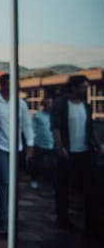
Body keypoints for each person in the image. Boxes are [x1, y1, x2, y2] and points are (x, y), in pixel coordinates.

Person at [0, 73, 34, 234]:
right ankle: (4, 222)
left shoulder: (21, 104)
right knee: (5, 182)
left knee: (12, 184)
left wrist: (30, 146)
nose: (9, 86)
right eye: (6, 83)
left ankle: (8, 218)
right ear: (1, 85)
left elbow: (27, 125)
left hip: (16, 148)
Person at [51, 75, 102, 235]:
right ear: (73, 88)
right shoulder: (61, 104)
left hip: (85, 151)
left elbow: (89, 128)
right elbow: (56, 127)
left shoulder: (86, 106)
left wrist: (96, 145)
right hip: (67, 151)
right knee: (63, 186)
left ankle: (92, 224)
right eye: (82, 87)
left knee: (91, 187)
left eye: (86, 87)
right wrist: (60, 147)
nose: (85, 89)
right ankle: (62, 219)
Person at [29, 97, 55, 190]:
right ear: (44, 105)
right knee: (38, 163)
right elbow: (32, 128)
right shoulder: (38, 115)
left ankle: (53, 183)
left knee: (54, 164)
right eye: (48, 104)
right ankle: (34, 180)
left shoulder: (55, 115)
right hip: (40, 143)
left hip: (52, 143)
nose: (50, 106)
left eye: (51, 104)